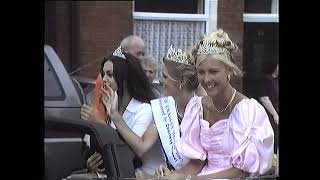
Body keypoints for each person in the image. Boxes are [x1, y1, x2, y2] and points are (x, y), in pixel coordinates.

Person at [155, 29, 274, 179]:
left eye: (213, 71)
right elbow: (197, 163)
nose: (206, 79)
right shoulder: (197, 108)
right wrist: (175, 175)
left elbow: (241, 171)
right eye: (201, 72)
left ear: (228, 70)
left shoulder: (248, 111)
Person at [102, 45, 200, 177]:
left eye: (165, 77)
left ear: (181, 81)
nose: (160, 80)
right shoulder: (163, 109)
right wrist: (114, 116)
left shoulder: (202, 110)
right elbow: (142, 146)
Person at [96, 46, 166, 177]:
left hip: (148, 175)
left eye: (110, 74)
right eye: (103, 74)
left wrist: (114, 117)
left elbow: (131, 153)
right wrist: (94, 162)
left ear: (125, 79)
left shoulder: (145, 109)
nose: (104, 79)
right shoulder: (112, 106)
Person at [81, 35, 146, 123]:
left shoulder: (143, 74)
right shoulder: (106, 80)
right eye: (138, 53)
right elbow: (101, 110)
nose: (141, 58)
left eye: (143, 54)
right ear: (124, 52)